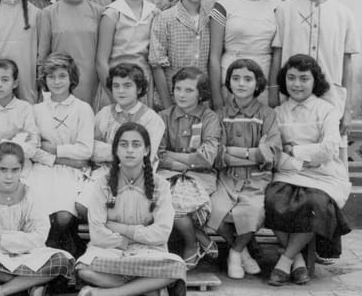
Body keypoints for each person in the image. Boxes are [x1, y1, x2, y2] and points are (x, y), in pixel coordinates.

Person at [265, 55, 351, 286]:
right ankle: (297, 259)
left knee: (314, 203)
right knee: (271, 200)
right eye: (291, 78)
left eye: (304, 79)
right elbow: (274, 152)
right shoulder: (277, 113)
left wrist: (294, 150)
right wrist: (300, 161)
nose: (297, 84)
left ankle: (285, 260)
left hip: (323, 175)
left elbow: (329, 149)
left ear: (315, 81)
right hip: (288, 172)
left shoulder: (327, 110)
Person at [269, 0, 359, 162]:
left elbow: (347, 63)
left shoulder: (343, 13)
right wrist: (273, 93)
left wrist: (347, 110)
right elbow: (277, 55)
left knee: (332, 160)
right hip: (292, 99)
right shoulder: (285, 9)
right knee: (291, 158)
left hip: (330, 99)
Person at [76, 123, 187, 296]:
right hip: (111, 250)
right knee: (84, 269)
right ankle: (147, 287)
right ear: (116, 150)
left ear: (146, 150)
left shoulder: (160, 185)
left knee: (177, 267)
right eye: (123, 144)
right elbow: (97, 233)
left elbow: (162, 232)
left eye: (136, 145)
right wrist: (125, 241)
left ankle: (107, 293)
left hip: (149, 253)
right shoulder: (102, 184)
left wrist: (122, 229)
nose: (129, 150)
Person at [0, 142, 75, 296]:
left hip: (29, 256)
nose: (9, 176)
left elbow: (39, 237)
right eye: (3, 169)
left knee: (61, 260)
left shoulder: (32, 195)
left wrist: (3, 238)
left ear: (22, 170)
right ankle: (27, 286)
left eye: (15, 170)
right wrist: (14, 243)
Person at [208, 59, 280, 279]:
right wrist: (253, 154)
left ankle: (235, 253)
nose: (241, 84)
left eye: (248, 79)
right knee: (213, 209)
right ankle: (243, 251)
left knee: (253, 211)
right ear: (228, 82)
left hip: (256, 179)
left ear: (257, 84)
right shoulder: (220, 114)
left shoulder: (267, 114)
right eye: (236, 78)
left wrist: (235, 152)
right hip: (227, 178)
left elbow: (270, 154)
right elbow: (217, 154)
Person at [27, 53, 94, 258]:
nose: (57, 82)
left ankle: (63, 253)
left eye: (62, 76)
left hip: (73, 171)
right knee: (40, 213)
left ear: (71, 78)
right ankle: (48, 257)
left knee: (64, 216)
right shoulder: (36, 110)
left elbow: (85, 151)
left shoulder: (83, 109)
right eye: (51, 76)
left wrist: (55, 149)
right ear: (45, 79)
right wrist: (57, 158)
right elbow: (33, 149)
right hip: (43, 168)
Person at [157, 67, 221, 270]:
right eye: (178, 89)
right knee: (160, 199)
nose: (181, 95)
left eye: (189, 90)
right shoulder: (163, 117)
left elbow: (207, 157)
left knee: (177, 205)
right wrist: (178, 164)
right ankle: (197, 238)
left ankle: (191, 245)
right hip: (167, 174)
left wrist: (174, 157)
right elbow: (157, 154)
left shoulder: (209, 117)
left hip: (199, 176)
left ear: (201, 93)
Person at [209, 0, 281, 110]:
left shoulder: (277, 6)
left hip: (263, 82)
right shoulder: (223, 5)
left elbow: (278, 53)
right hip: (231, 82)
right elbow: (214, 56)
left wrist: (273, 90)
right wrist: (217, 97)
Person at [149, 0, 216, 109]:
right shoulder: (165, 18)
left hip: (201, 101)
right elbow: (157, 64)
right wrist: (168, 106)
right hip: (172, 98)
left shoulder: (210, 19)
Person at [37, 0, 102, 108]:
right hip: (59, 84)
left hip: (91, 84)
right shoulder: (48, 13)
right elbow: (42, 58)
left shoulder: (99, 12)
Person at [95, 0, 159, 109]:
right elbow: (101, 61)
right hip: (117, 83)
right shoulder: (112, 13)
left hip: (143, 83)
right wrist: (114, 94)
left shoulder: (154, 13)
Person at [91, 63, 165, 172]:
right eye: (116, 86)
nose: (121, 91)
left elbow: (144, 158)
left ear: (139, 89)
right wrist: (124, 152)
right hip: (101, 171)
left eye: (127, 85)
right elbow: (90, 148)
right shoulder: (104, 113)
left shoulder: (152, 119)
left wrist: (107, 152)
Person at [0, 59, 39, 168]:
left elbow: (32, 145)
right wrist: (16, 141)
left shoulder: (25, 108)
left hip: (21, 163)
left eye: (5, 80)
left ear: (15, 83)